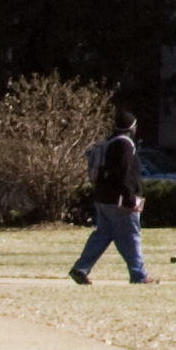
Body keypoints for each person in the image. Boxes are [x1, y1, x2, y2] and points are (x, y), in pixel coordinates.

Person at [70, 112, 151, 286]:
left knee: (102, 235)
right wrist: (128, 196)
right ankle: (139, 275)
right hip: (119, 200)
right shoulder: (125, 144)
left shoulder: (108, 142)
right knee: (131, 236)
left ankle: (81, 268)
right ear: (131, 127)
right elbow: (122, 174)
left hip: (102, 197)